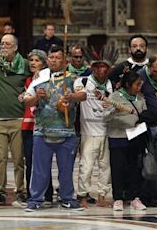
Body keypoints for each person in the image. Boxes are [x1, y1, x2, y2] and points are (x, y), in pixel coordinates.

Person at [23, 45, 86, 212]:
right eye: (51, 57)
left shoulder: (73, 78)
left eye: (58, 58)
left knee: (66, 170)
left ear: (64, 61)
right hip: (42, 131)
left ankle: (67, 198)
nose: (54, 60)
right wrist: (37, 96)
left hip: (66, 131)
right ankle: (35, 199)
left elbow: (83, 95)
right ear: (47, 60)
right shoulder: (40, 79)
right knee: (40, 170)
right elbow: (27, 100)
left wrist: (71, 96)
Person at [0, 34, 30, 205]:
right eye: (2, 43)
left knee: (19, 159)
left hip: (18, 118)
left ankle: (20, 190)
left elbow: (34, 80)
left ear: (15, 47)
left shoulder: (25, 64)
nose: (4, 46)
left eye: (8, 44)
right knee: (0, 158)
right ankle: (0, 190)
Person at [76, 47, 117, 208]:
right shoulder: (82, 82)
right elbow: (77, 94)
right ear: (92, 68)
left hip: (106, 130)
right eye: (97, 67)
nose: (100, 70)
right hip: (88, 131)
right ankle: (83, 196)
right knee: (86, 167)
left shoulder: (110, 85)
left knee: (105, 167)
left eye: (103, 67)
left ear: (108, 69)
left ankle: (102, 196)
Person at [104, 70, 148, 213]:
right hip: (117, 138)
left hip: (135, 137)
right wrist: (114, 111)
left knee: (134, 168)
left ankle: (134, 197)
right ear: (128, 85)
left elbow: (143, 115)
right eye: (136, 84)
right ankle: (118, 198)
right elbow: (105, 117)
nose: (139, 87)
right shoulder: (114, 97)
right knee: (118, 168)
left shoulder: (140, 98)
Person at [21, 49, 53, 205]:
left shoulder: (49, 80)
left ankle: (47, 195)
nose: (33, 63)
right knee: (30, 162)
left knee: (43, 161)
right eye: (31, 60)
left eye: (37, 60)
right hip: (28, 125)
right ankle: (31, 195)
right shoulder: (28, 81)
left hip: (44, 124)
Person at [139, 54, 157, 207]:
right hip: (146, 128)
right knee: (147, 163)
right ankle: (144, 195)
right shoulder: (141, 77)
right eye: (155, 70)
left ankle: (156, 194)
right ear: (149, 66)